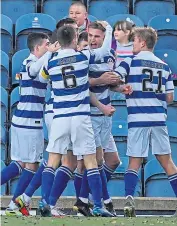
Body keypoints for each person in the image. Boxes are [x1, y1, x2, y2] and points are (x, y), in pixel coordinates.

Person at [38, 22, 117, 217]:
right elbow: (104, 50)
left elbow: (41, 77)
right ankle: (97, 205)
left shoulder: (51, 61)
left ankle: (44, 202)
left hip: (60, 118)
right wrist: (109, 32)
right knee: (91, 161)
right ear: (75, 39)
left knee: (53, 161)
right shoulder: (83, 57)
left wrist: (50, 52)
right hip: (80, 117)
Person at [115, 27, 177, 217]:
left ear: (142, 42)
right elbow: (169, 97)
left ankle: (128, 200)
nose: (133, 44)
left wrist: (121, 88)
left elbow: (114, 79)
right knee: (167, 162)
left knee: (134, 161)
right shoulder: (164, 66)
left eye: (134, 41)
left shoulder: (129, 62)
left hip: (138, 119)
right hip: (158, 119)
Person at [74, 22, 132, 217]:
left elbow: (110, 82)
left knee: (113, 161)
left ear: (104, 38)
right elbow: (81, 84)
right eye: (90, 35)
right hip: (91, 115)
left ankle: (88, 199)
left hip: (105, 115)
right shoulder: (84, 55)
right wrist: (101, 82)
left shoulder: (109, 56)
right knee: (94, 161)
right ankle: (90, 203)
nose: (92, 39)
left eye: (97, 36)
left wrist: (120, 88)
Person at [1, 33, 59, 216]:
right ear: (37, 48)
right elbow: (35, 71)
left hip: (22, 120)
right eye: (46, 45)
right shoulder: (30, 62)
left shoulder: (31, 62)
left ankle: (15, 205)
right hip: (29, 122)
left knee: (20, 163)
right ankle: (14, 205)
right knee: (32, 165)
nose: (50, 47)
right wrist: (50, 54)